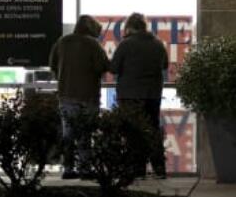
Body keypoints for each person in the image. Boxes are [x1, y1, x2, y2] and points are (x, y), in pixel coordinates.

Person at [49, 14, 110, 179]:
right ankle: (85, 169)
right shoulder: (93, 44)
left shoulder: (61, 42)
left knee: (68, 133)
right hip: (88, 95)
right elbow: (103, 66)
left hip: (66, 94)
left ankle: (68, 169)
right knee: (85, 134)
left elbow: (52, 65)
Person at [111, 13, 170, 178]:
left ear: (129, 27)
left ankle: (138, 170)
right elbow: (164, 65)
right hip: (152, 94)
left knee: (133, 132)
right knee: (152, 130)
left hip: (129, 95)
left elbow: (114, 68)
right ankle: (159, 169)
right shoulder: (158, 44)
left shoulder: (125, 45)